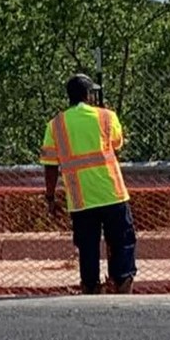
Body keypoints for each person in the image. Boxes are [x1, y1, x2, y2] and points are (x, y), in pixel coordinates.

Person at [40, 73, 137, 295]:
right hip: (112, 192)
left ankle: (91, 285)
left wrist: (50, 196)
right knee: (122, 240)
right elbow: (117, 143)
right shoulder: (106, 117)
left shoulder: (55, 125)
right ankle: (122, 280)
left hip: (80, 197)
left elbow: (50, 164)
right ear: (89, 95)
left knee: (87, 245)